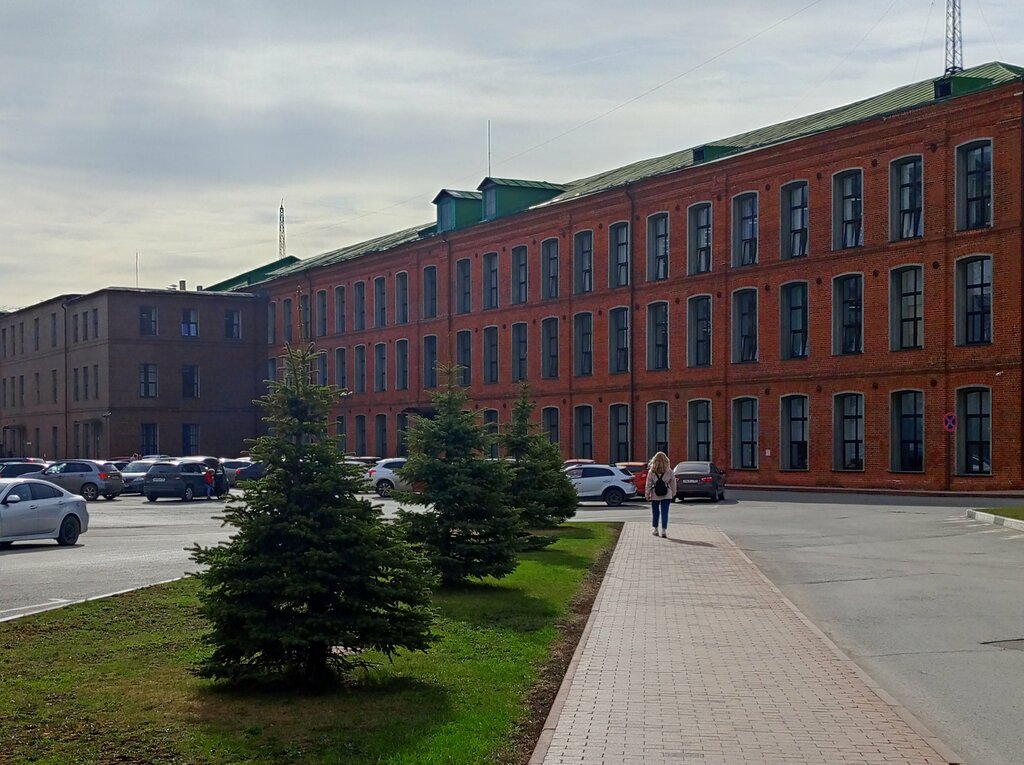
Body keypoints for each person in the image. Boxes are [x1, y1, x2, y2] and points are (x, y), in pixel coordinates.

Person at [645, 451, 677, 538]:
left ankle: (655, 529)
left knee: (655, 512)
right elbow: (673, 482)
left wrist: (647, 494)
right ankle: (663, 530)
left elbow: (648, 484)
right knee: (665, 512)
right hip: (667, 494)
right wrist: (673, 492)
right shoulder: (669, 470)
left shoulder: (651, 471)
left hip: (655, 494)